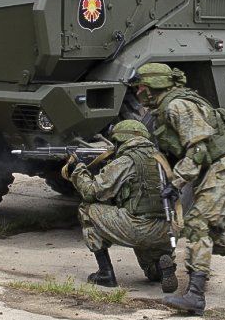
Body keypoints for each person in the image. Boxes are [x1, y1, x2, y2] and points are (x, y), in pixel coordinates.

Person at [127, 63, 225, 315]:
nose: (138, 91)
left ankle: (195, 295)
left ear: (153, 87)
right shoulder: (165, 107)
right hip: (208, 169)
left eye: (141, 87)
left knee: (196, 225)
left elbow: (198, 149)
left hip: (221, 167)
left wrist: (176, 183)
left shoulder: (177, 106)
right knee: (208, 234)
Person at [66, 119, 179, 293]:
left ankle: (105, 274)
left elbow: (92, 191)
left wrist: (78, 168)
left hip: (140, 227)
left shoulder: (127, 160)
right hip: (167, 229)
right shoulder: (159, 159)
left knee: (87, 209)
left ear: (121, 140)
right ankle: (162, 267)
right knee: (151, 272)